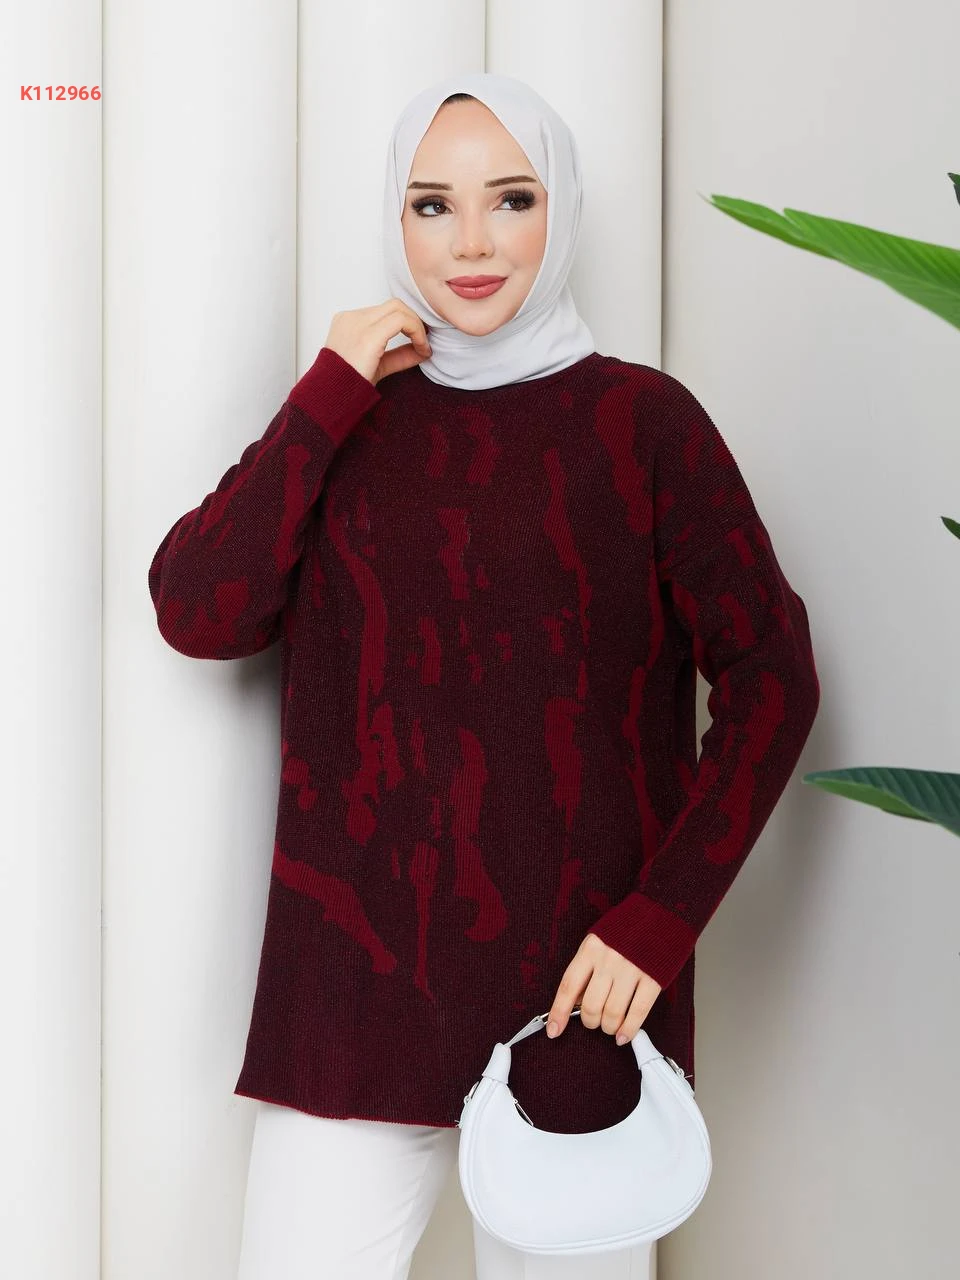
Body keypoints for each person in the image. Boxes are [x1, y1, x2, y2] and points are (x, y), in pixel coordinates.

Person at [148, 71, 820, 1280]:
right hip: (352, 1001)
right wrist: (327, 388)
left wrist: (659, 922)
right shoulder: (351, 420)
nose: (470, 243)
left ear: (561, 206)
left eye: (511, 199)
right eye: (432, 204)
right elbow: (199, 609)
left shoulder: (647, 425)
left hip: (580, 1000)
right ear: (395, 219)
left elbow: (773, 678)